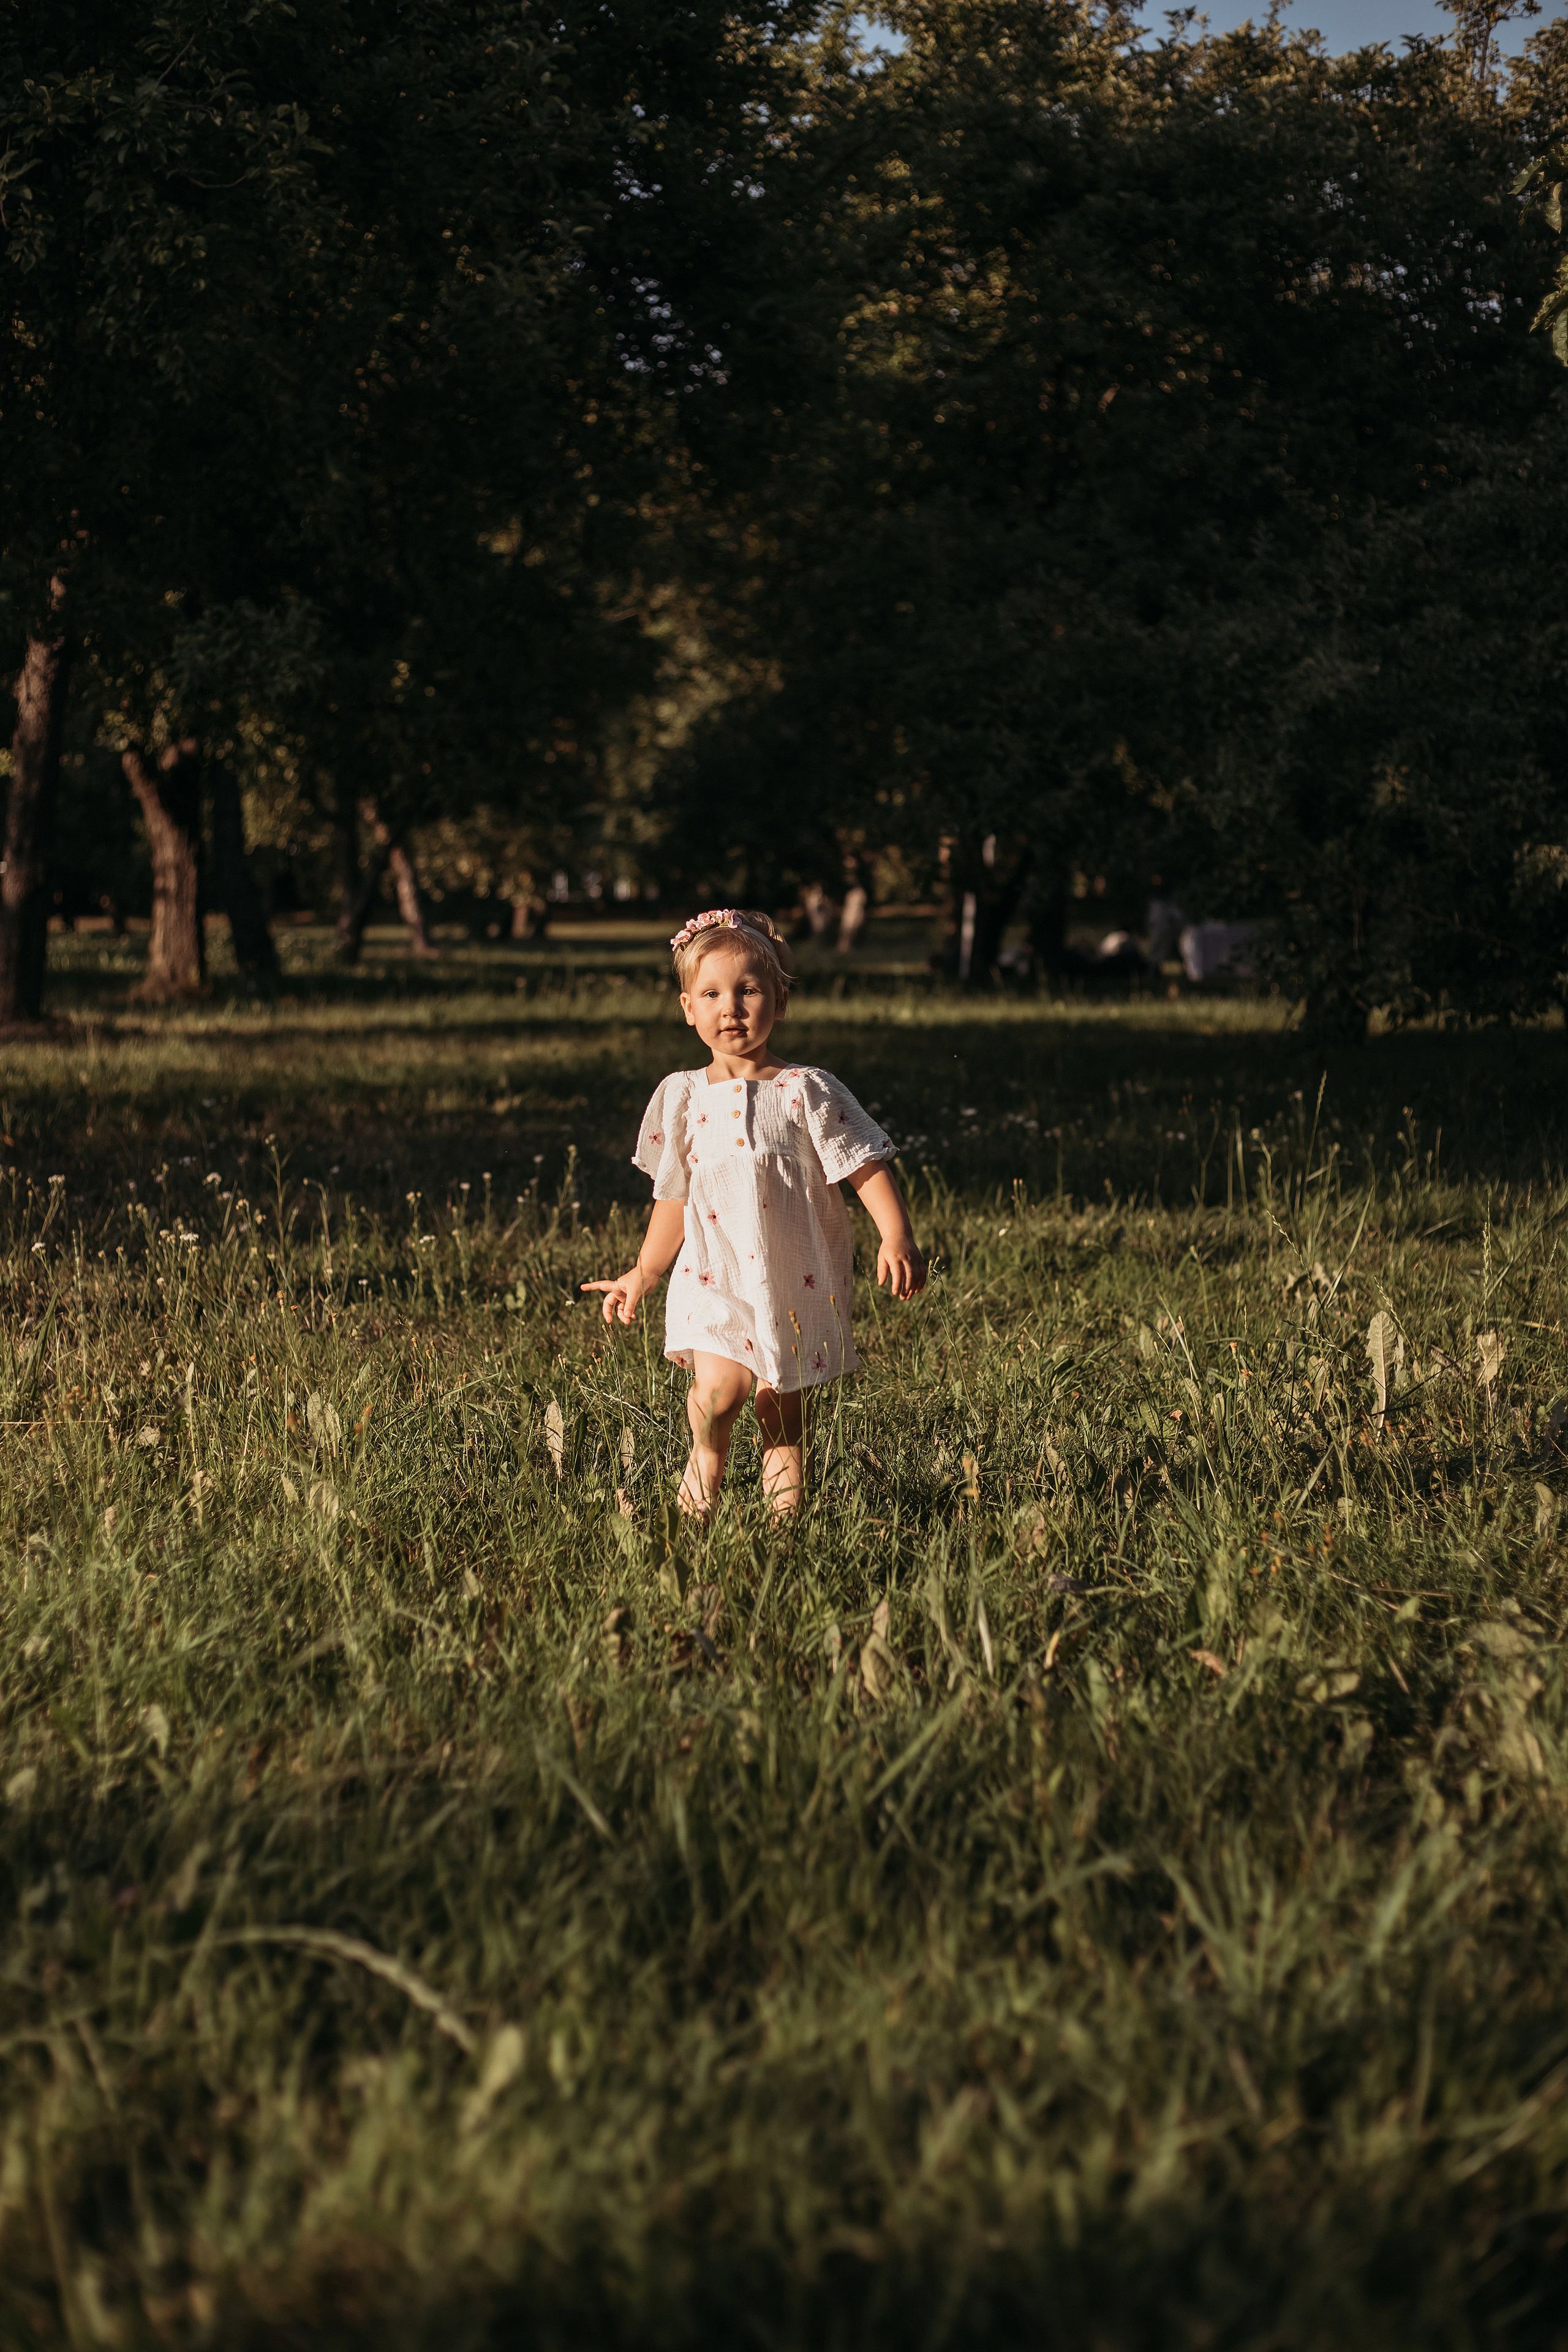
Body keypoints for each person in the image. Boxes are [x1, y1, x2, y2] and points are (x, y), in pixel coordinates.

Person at [582, 907, 925, 1516]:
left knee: (781, 1410)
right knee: (719, 1393)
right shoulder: (682, 1095)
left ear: (780, 1002)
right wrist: (645, 1271)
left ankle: (783, 1528)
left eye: (749, 991)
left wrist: (895, 1235)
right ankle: (700, 1487)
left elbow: (863, 1164)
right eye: (711, 994)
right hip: (711, 1274)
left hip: (794, 1278)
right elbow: (674, 1195)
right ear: (688, 1007)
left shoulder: (806, 1089)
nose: (731, 1008)